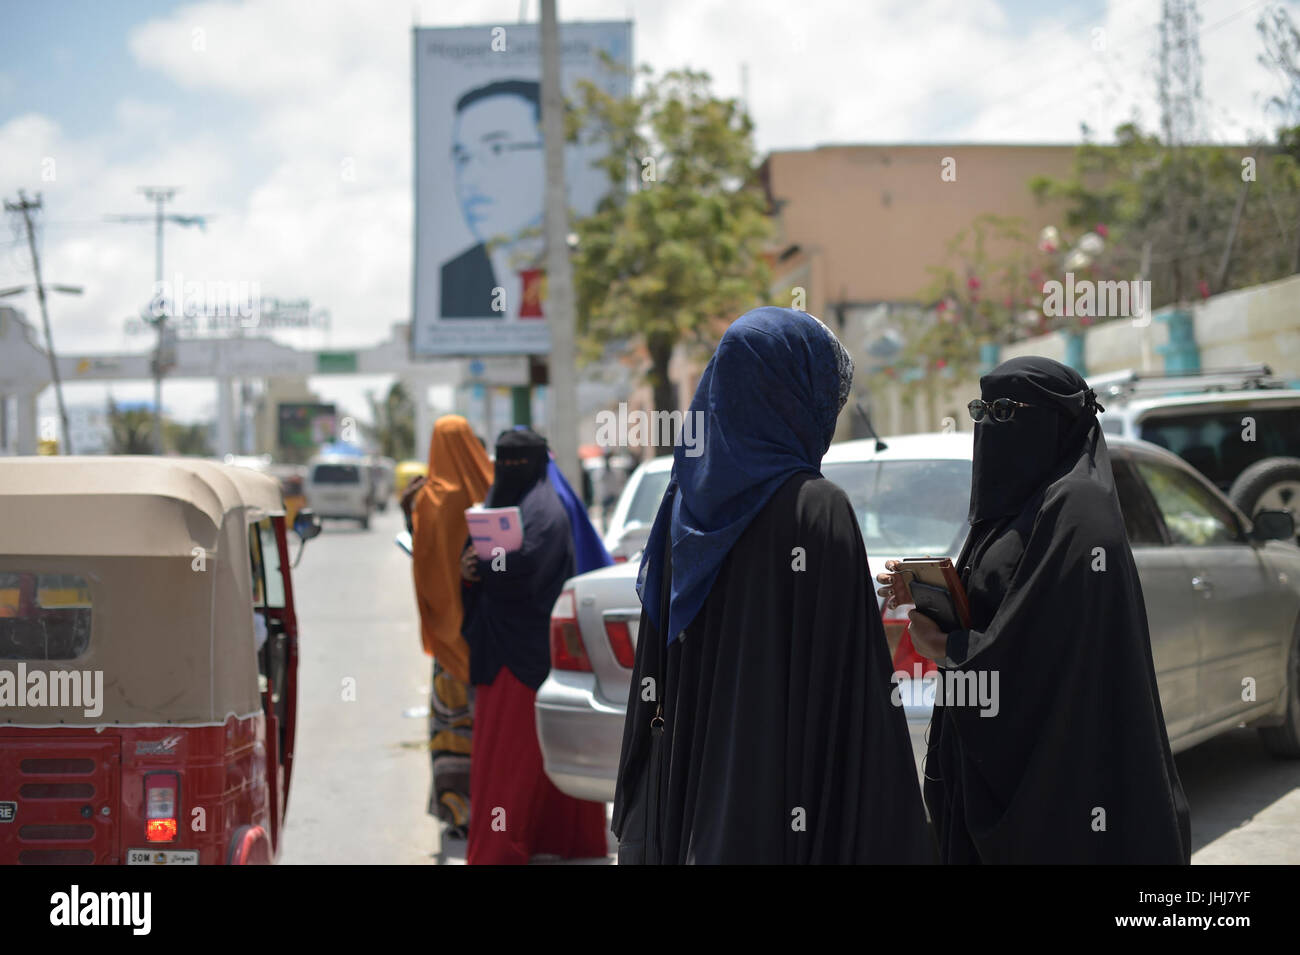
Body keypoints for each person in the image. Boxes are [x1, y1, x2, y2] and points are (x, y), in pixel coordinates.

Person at [612, 306, 935, 864]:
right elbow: (852, 695)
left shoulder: (683, 510)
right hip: (791, 799)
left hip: (693, 790)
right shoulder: (817, 508)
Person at [878, 356, 1191, 864]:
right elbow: (1001, 600)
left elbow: (1047, 653)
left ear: (1056, 421)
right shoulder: (1013, 509)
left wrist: (953, 648)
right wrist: (931, 593)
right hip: (991, 759)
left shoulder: (1079, 513)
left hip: (1063, 785)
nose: (987, 427)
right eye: (981, 410)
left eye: (1004, 411)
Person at [460, 427, 609, 864]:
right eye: (501, 462)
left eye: (516, 461)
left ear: (537, 462)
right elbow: (488, 563)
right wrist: (471, 568)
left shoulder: (545, 510)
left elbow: (527, 572)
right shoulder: (504, 503)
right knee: (531, 756)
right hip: (507, 649)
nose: (508, 470)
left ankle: (500, 851)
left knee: (508, 760)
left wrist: (483, 569)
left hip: (522, 654)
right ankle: (558, 842)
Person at [407, 414, 493, 838]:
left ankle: (458, 815)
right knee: (491, 728)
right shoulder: (493, 488)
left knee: (451, 728)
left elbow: (423, 567)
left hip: (448, 636)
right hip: (490, 634)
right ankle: (499, 809)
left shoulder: (431, 499)